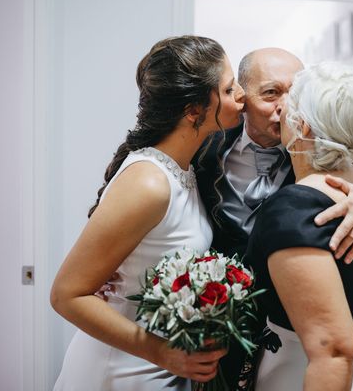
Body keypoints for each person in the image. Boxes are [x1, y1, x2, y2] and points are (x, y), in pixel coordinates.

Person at [194, 48, 353, 387]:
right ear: (242, 97)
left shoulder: (344, 164)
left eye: (294, 92)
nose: (284, 105)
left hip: (309, 352)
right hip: (224, 336)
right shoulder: (205, 147)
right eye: (272, 92)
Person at [51, 36, 245, 390]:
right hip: (118, 373)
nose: (242, 95)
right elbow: (67, 295)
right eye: (230, 89)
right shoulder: (148, 183)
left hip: (158, 372)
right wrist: (164, 353)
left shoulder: (185, 167)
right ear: (193, 110)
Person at [245, 62, 353, 390]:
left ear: (301, 126)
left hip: (307, 374)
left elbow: (332, 349)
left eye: (289, 102)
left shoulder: (292, 208)